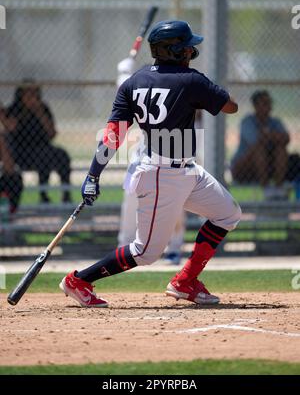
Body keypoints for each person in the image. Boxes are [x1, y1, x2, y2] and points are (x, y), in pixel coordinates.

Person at [59, 20, 241, 308]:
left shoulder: (134, 82)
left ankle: (185, 281)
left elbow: (113, 135)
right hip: (162, 175)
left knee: (227, 213)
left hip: (186, 170)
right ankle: (79, 279)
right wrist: (207, 87)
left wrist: (94, 174)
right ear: (175, 50)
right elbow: (231, 106)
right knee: (145, 253)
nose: (191, 50)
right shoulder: (191, 80)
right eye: (187, 46)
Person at [116, 56, 184, 265]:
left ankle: (174, 248)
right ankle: (124, 246)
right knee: (130, 194)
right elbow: (128, 92)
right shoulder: (142, 87)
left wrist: (123, 74)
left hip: (179, 151)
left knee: (176, 202)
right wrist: (123, 74)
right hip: (144, 152)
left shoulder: (177, 86)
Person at [1, 80, 72, 203]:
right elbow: (10, 127)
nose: (32, 96)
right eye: (28, 93)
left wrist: (39, 112)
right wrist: (24, 111)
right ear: (21, 95)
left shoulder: (43, 108)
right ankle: (43, 194)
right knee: (43, 156)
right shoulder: (15, 108)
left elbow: (52, 133)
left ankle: (66, 194)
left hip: (43, 147)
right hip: (20, 151)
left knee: (62, 155)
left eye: (35, 93)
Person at [231, 90, 290, 199]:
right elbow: (256, 141)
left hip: (266, 167)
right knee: (259, 150)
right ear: (256, 106)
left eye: (269, 103)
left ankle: (278, 188)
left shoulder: (275, 122)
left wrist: (268, 135)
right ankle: (266, 189)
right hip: (244, 168)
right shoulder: (248, 121)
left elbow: (286, 139)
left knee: (281, 149)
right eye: (264, 103)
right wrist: (274, 136)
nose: (269, 106)